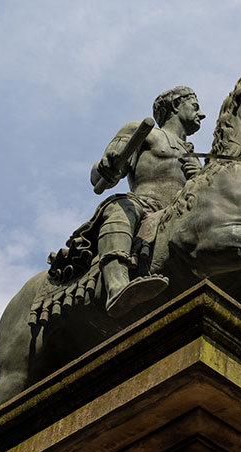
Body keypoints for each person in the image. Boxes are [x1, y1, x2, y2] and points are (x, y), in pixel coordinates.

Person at [91, 86, 205, 317]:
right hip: (144, 204)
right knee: (119, 209)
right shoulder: (143, 132)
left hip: (180, 213)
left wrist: (199, 177)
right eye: (195, 106)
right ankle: (116, 286)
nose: (201, 114)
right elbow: (98, 177)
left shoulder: (195, 156)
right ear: (176, 105)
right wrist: (108, 166)